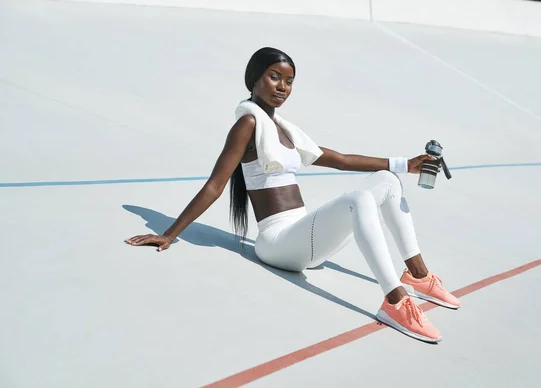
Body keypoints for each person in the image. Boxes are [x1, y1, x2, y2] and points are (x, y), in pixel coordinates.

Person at [125, 47, 460, 343]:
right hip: (277, 242)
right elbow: (216, 184)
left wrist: (406, 164)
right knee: (358, 201)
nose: (282, 87)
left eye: (288, 81)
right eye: (274, 77)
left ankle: (417, 275)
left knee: (388, 180)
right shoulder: (248, 125)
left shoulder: (285, 130)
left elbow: (339, 160)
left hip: (302, 236)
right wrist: (169, 234)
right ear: (254, 79)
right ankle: (396, 302)